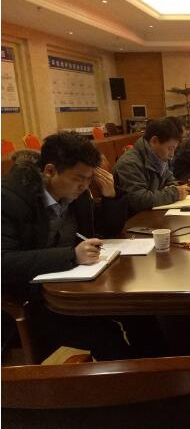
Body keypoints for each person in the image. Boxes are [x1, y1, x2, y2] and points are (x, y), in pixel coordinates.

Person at [1, 133, 164, 361]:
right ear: (50, 171)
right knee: (106, 335)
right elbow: (5, 262)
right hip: (34, 301)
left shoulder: (76, 194)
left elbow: (106, 229)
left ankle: (163, 373)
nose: (85, 186)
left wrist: (110, 197)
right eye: (79, 178)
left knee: (140, 310)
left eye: (89, 179)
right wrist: (71, 256)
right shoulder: (9, 199)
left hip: (76, 285)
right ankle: (133, 381)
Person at [113, 118, 190, 215]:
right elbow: (138, 200)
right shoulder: (129, 163)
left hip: (152, 214)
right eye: (170, 148)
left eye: (174, 149)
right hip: (134, 219)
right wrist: (175, 193)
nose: (172, 154)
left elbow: (169, 179)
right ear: (154, 141)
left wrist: (177, 187)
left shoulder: (157, 157)